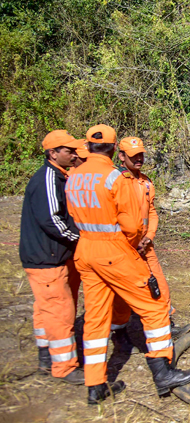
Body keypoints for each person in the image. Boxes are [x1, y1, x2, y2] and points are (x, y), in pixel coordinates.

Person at [65, 124, 190, 404]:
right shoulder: (115, 178)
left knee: (96, 319)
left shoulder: (73, 176)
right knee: (154, 306)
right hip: (114, 249)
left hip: (85, 251)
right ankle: (163, 373)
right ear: (114, 149)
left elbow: (73, 214)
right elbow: (130, 224)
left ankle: (95, 385)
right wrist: (134, 241)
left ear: (88, 147)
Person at [19, 130, 85, 384]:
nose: (73, 154)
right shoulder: (48, 178)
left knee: (46, 307)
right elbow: (52, 220)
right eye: (68, 150)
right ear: (52, 153)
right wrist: (78, 238)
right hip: (46, 258)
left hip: (46, 257)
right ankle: (65, 366)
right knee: (60, 311)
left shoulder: (59, 176)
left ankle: (46, 354)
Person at [114, 137, 188, 337]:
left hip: (145, 245)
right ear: (121, 156)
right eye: (133, 155)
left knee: (160, 284)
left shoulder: (145, 181)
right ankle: (119, 329)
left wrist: (150, 235)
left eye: (141, 155)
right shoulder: (116, 181)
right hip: (123, 247)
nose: (138, 159)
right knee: (122, 289)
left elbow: (152, 212)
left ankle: (166, 323)